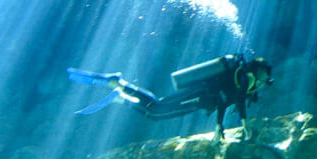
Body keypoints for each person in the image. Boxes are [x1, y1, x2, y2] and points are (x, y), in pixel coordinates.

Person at [68, 53, 273, 139]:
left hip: (200, 102)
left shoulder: (244, 82)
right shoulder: (245, 77)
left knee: (156, 112)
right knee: (157, 108)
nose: (264, 82)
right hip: (199, 95)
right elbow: (235, 99)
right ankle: (120, 89)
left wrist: (219, 127)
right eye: (265, 75)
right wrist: (244, 124)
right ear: (258, 70)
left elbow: (224, 102)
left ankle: (120, 92)